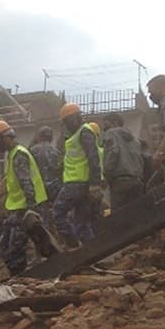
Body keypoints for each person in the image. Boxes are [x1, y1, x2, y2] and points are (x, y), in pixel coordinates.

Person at [0, 120, 55, 275]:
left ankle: (19, 276)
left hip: (25, 208)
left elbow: (26, 184)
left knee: (14, 248)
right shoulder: (13, 154)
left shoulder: (19, 155)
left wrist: (30, 211)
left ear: (4, 138)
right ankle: (18, 274)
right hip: (17, 209)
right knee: (4, 246)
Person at [56, 104, 102, 247]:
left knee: (58, 212)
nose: (66, 126)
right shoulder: (76, 135)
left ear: (75, 118)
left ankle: (74, 246)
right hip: (79, 183)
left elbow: (93, 157)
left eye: (67, 122)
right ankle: (92, 253)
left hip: (77, 183)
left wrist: (95, 184)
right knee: (82, 223)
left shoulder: (84, 132)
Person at [101, 113, 146, 212]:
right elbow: (143, 159)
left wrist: (106, 175)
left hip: (120, 182)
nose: (105, 129)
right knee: (135, 216)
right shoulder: (135, 140)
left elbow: (113, 152)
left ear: (115, 123)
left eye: (106, 125)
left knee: (118, 219)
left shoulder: (111, 133)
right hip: (137, 182)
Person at [30, 126, 63, 201]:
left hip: (38, 189)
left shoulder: (32, 151)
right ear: (51, 138)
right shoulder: (57, 152)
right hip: (54, 190)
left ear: (39, 136)